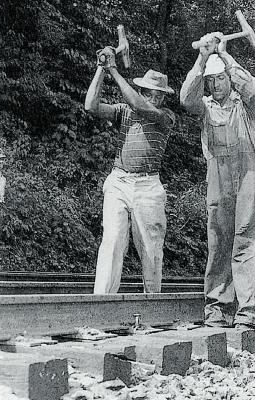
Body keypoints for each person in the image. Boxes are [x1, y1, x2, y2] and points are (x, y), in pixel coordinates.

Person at [180, 33, 255, 328]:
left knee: (245, 238)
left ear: (229, 78)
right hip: (218, 177)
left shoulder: (247, 105)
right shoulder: (205, 107)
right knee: (218, 241)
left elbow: (253, 88)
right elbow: (185, 99)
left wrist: (225, 55)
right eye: (211, 80)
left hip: (247, 176)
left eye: (220, 78)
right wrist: (203, 57)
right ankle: (217, 307)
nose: (215, 84)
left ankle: (249, 311)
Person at [85, 47, 176, 294]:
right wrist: (101, 68)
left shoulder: (165, 116)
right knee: (112, 240)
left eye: (158, 95)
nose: (154, 98)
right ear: (141, 91)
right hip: (119, 181)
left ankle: (152, 302)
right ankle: (101, 302)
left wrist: (113, 69)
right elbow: (91, 106)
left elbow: (142, 107)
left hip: (148, 186)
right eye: (149, 93)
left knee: (151, 248)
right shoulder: (124, 111)